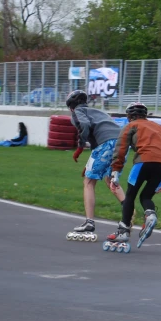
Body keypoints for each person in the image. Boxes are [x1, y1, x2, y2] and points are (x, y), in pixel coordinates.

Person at [107, 102, 161, 248]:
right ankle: (150, 214)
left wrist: (115, 172)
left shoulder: (130, 126)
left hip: (143, 162)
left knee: (130, 195)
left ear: (129, 116)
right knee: (145, 196)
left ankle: (123, 231)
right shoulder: (159, 127)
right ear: (145, 115)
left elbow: (120, 149)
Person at [66, 90, 126, 237]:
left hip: (105, 144)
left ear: (71, 106)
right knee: (110, 180)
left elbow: (83, 124)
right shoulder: (97, 111)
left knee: (88, 182)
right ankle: (128, 213)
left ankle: (89, 223)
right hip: (121, 143)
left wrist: (80, 147)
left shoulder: (77, 112)